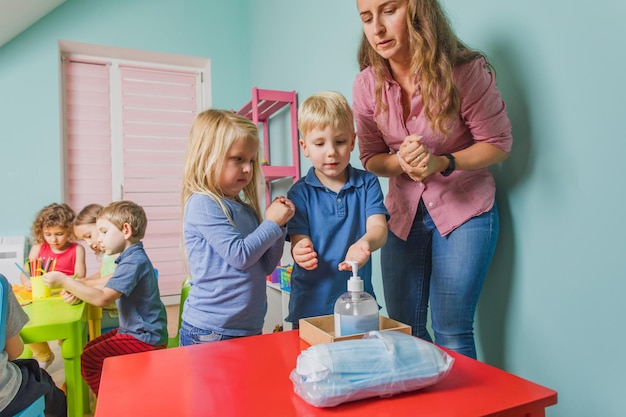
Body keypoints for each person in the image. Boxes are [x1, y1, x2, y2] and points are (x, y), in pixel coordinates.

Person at [352, 0, 513, 359]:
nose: (376, 28)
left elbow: (498, 144)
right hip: (402, 215)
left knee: (451, 330)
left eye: (388, 10)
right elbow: (371, 157)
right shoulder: (366, 85)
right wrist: (399, 163)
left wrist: (443, 161)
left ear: (416, 9)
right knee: (403, 330)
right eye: (366, 17)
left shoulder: (464, 71)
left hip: (465, 210)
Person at [180, 109, 295, 345]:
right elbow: (240, 255)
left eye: (251, 160)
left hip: (247, 328)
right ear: (208, 157)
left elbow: (264, 266)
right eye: (238, 159)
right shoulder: (203, 204)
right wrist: (271, 223)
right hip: (210, 331)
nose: (247, 169)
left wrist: (279, 228)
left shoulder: (244, 209)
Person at [286, 91, 388, 328]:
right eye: (320, 143)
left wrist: (365, 244)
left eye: (340, 142)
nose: (331, 151)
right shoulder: (299, 193)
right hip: (310, 304)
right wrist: (300, 250)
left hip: (358, 302)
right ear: (305, 147)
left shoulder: (367, 183)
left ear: (352, 141)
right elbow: (299, 240)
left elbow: (378, 228)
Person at [43, 200, 168, 395]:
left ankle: (114, 403)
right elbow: (105, 286)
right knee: (89, 349)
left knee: (90, 359)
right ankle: (121, 389)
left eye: (103, 232)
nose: (99, 240)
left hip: (144, 337)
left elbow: (103, 298)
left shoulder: (133, 262)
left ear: (126, 230)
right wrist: (78, 287)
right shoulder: (129, 258)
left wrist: (65, 281)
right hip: (136, 330)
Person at [20, 203, 86, 370]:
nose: (53, 240)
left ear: (70, 231)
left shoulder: (76, 249)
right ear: (41, 231)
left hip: (64, 299)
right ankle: (44, 355)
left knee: (65, 335)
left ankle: (67, 353)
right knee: (24, 322)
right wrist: (27, 281)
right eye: (48, 234)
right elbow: (25, 272)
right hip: (40, 299)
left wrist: (62, 281)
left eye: (59, 234)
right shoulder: (38, 248)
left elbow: (81, 276)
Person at [0, 275, 66, 417]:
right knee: (45, 384)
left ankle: (45, 356)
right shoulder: (1, 284)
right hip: (4, 397)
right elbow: (15, 351)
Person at [68, 204, 120, 337]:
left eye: (89, 235)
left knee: (76, 327)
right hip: (106, 309)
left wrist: (81, 285)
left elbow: (114, 278)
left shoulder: (118, 251)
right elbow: (100, 274)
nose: (89, 243)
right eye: (84, 240)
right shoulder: (106, 253)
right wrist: (82, 280)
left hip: (118, 313)